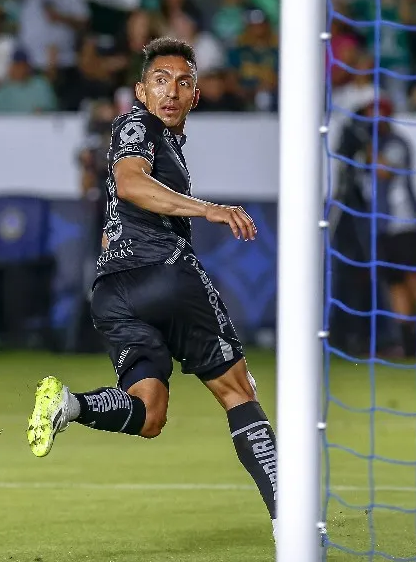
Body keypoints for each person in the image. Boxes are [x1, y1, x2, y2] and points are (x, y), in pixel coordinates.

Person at [25, 37, 280, 539]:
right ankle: (287, 519)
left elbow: (114, 216)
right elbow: (129, 183)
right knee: (237, 392)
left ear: (195, 96)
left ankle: (68, 407)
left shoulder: (163, 147)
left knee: (149, 414)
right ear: (141, 91)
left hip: (113, 292)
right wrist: (209, 208)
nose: (171, 91)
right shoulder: (136, 127)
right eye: (160, 81)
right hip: (164, 274)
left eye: (183, 82)